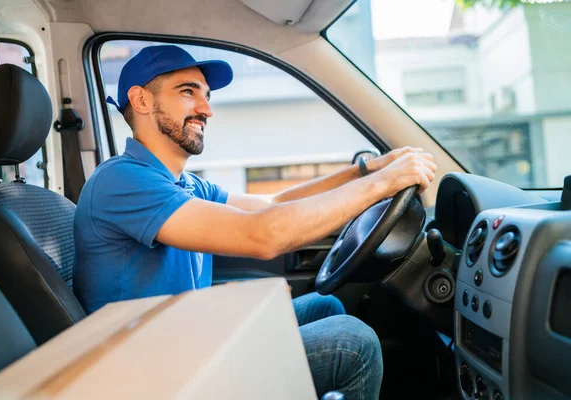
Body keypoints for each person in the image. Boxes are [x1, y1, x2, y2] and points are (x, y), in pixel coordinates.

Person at [73, 45, 437, 399]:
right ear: (141, 101)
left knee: (325, 307)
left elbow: (273, 204)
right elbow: (263, 235)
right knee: (352, 343)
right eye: (188, 92)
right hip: (155, 372)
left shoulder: (184, 184)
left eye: (207, 96)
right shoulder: (121, 181)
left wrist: (365, 171)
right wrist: (381, 186)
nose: (206, 109)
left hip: (188, 339)